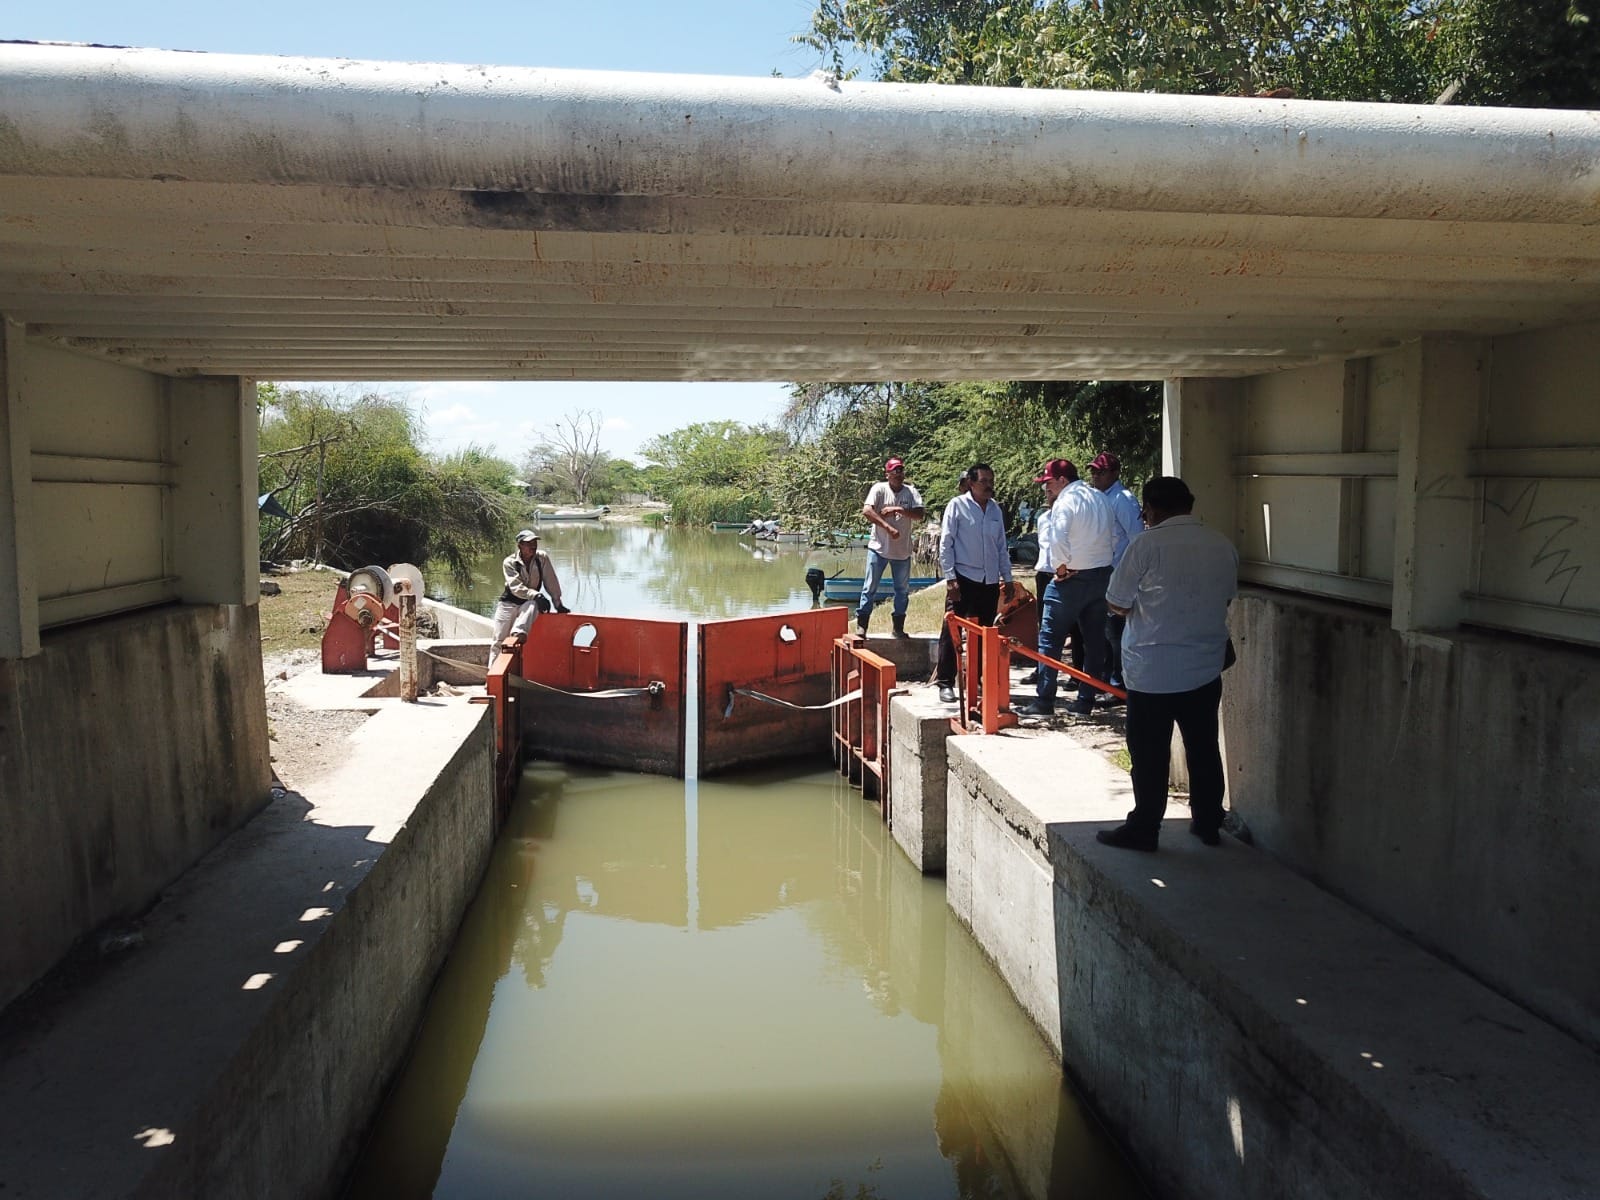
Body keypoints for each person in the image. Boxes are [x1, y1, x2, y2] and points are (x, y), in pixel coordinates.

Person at [1095, 476, 1238, 852]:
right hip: (1204, 666)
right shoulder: (1221, 544)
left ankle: (1145, 828)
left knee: (1149, 754)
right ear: (1189, 505)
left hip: (1152, 670)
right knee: (1203, 747)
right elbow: (1225, 598)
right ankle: (1208, 822)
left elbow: (1117, 602)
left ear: (1151, 509)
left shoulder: (1145, 545)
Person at [1019, 459, 1113, 718]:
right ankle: (1085, 701)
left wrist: (1060, 569)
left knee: (1050, 639)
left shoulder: (1065, 501)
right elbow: (1113, 535)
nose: (1046, 488)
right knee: (1094, 642)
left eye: (1048, 482)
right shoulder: (1100, 498)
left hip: (1071, 578)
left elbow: (1057, 539)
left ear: (1062, 480)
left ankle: (1044, 701)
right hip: (1101, 575)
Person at [934, 463, 1013, 704]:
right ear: (971, 483)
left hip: (989, 581)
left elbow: (1001, 547)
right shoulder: (957, 506)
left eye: (991, 481)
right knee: (952, 629)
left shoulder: (995, 509)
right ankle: (945, 682)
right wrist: (950, 578)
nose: (989, 486)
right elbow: (946, 544)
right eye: (984, 481)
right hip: (963, 578)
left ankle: (977, 679)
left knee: (984, 632)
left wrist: (1008, 579)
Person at [1088, 451, 1145, 690]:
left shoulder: (1122, 499)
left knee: (1116, 633)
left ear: (1114, 473)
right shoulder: (1100, 498)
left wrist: (1129, 574)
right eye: (1093, 471)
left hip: (1118, 573)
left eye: (1101, 472)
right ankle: (1106, 681)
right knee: (1104, 631)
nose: (1095, 476)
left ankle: (1118, 684)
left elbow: (1137, 539)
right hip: (1102, 572)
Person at [856, 456, 926, 638]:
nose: (898, 474)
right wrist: (887, 527)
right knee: (869, 588)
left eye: (901, 470)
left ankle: (898, 628)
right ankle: (862, 626)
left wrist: (898, 509)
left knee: (902, 591)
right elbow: (867, 511)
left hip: (902, 552)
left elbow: (920, 515)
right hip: (878, 548)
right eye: (894, 471)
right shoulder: (879, 489)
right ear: (887, 474)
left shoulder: (911, 492)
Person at [491, 529, 570, 662]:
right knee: (498, 640)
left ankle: (518, 633)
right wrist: (536, 595)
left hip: (528, 602)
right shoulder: (509, 562)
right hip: (509, 602)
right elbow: (516, 587)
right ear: (520, 546)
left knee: (533, 605)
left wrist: (558, 603)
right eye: (528, 543)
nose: (533, 546)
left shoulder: (541, 558)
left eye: (534, 543)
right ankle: (492, 671)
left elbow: (551, 581)